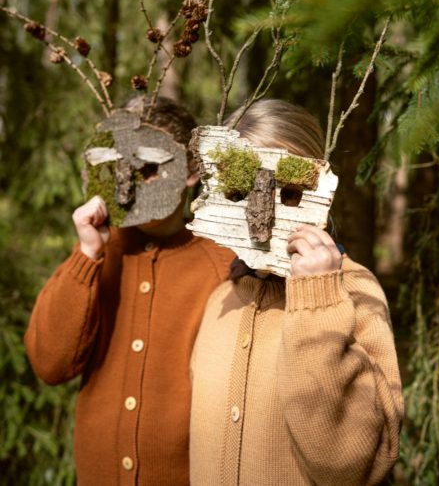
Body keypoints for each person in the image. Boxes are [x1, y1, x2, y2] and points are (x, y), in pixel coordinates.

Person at [189, 98, 404, 486]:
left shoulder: (355, 290)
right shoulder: (221, 300)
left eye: (287, 193)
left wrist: (319, 297)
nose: (261, 219)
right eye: (239, 192)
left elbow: (348, 465)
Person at [24, 95, 235, 486]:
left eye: (149, 168)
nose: (130, 185)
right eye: (117, 168)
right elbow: (49, 363)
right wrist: (87, 253)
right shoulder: (97, 253)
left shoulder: (222, 264)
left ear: (190, 169)